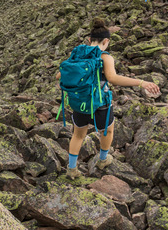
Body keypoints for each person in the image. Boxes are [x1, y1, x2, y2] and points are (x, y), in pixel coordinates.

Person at [57, 19, 161, 179]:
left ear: (89, 39)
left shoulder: (77, 54)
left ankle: (71, 169)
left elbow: (59, 75)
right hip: (100, 104)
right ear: (106, 41)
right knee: (108, 130)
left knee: (78, 135)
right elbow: (112, 78)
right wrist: (141, 82)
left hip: (79, 103)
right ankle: (103, 160)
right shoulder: (105, 57)